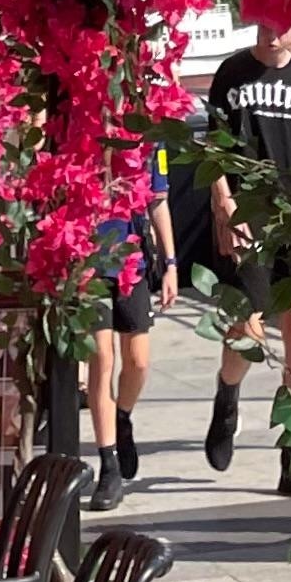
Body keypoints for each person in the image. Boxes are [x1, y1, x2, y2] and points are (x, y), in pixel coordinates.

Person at [201, 5, 291, 493]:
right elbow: (214, 147)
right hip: (248, 211)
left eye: (279, 25)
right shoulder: (232, 73)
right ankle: (227, 394)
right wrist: (223, 204)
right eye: (263, 24)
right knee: (249, 331)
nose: (270, 34)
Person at [85, 132, 177, 507]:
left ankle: (121, 417)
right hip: (89, 262)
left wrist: (171, 263)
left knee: (137, 361)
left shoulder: (152, 139)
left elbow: (158, 202)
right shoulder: (86, 130)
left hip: (132, 262)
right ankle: (108, 465)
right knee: (101, 357)